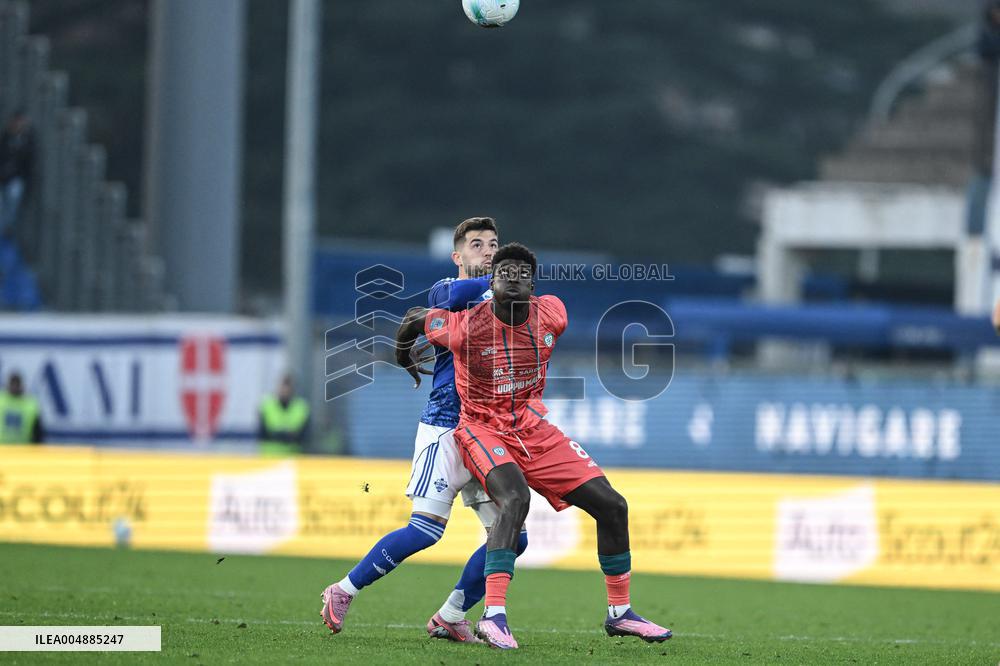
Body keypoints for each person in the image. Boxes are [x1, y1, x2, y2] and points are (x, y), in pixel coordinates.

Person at [395, 242, 672, 649]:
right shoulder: (464, 326)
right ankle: (493, 616)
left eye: (523, 273)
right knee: (516, 498)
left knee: (613, 506)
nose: (514, 277)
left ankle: (620, 614)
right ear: (491, 282)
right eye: (505, 272)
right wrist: (404, 358)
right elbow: (414, 319)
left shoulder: (553, 314)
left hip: (532, 427)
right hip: (480, 429)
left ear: (533, 284)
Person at [320, 217, 529, 644]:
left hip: (486, 433)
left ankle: (452, 614)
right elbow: (451, 295)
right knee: (425, 531)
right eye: (477, 245)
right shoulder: (444, 291)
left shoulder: (504, 302)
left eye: (493, 244)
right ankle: (343, 589)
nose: (488, 251)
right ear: (458, 257)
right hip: (445, 428)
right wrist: (494, 284)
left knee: (514, 537)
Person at [0, 110, 35, 237]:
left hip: (16, 178)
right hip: (2, 178)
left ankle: (6, 231)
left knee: (14, 195)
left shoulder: (27, 142)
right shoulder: (5, 138)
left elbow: (27, 165)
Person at [257, 374, 310, 456]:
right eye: (283, 386)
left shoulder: (301, 407)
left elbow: (304, 436)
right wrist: (288, 436)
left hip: (293, 460)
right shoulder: (267, 405)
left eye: (288, 387)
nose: (285, 390)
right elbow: (262, 433)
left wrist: (277, 434)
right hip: (269, 459)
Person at [0, 372, 44, 444]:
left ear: (22, 386)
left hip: (22, 451)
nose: (14, 387)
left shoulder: (31, 405)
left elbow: (37, 433)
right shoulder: (1, 400)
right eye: (12, 384)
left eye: (16, 385)